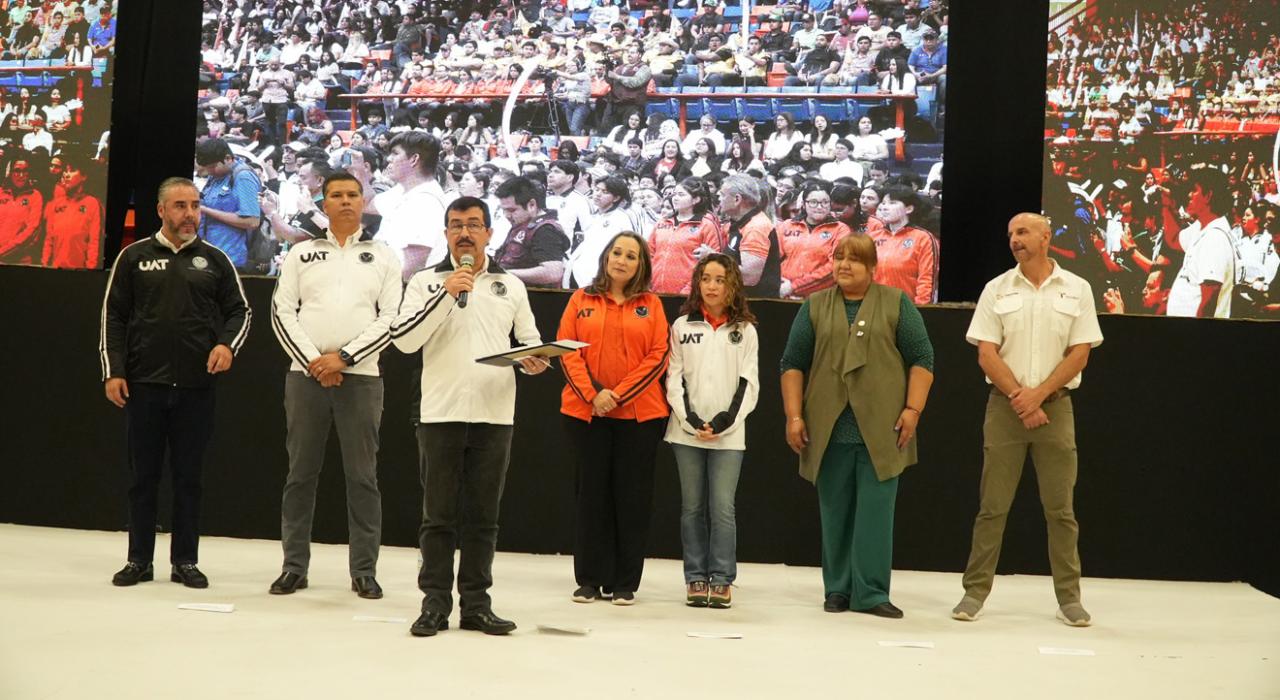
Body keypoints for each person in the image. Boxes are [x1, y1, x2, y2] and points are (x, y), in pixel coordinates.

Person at [392, 196, 549, 637]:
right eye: (457, 225)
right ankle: (434, 604)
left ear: (489, 233)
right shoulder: (425, 281)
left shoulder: (510, 285)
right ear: (446, 234)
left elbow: (529, 341)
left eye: (474, 225)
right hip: (439, 411)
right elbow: (405, 341)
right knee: (438, 517)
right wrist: (447, 294)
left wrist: (534, 361)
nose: (465, 233)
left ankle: (477, 605)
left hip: (494, 413)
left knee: (483, 518)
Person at [100, 177, 251, 589]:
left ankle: (185, 561)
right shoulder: (133, 256)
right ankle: (138, 560)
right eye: (181, 206)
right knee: (142, 479)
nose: (190, 214)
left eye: (196, 205)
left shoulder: (215, 259)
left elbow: (240, 311)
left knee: (189, 479)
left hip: (196, 388)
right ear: (161, 210)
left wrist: (227, 345)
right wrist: (113, 370)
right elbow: (113, 316)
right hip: (143, 385)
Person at [953, 213, 1103, 628]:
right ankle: (973, 593)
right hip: (1005, 409)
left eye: (1022, 232)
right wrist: (1023, 399)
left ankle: (1070, 599)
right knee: (992, 507)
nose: (1014, 240)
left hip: (1056, 408)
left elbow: (1080, 352)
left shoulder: (1077, 288)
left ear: (1046, 236)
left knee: (1061, 510)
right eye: (1010, 235)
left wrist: (1039, 395)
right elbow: (986, 353)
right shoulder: (996, 288)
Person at [779, 233, 934, 618]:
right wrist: (794, 416)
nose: (844, 265)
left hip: (883, 428)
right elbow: (792, 363)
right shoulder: (814, 305)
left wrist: (913, 410)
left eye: (854, 259)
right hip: (829, 429)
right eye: (839, 258)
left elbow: (922, 358)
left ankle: (872, 593)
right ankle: (838, 590)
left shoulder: (897, 303)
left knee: (876, 516)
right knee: (835, 513)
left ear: (872, 267)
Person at [268, 172, 402, 599]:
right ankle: (294, 567)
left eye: (352, 195)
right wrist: (315, 362)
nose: (345, 201)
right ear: (323, 204)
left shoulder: (384, 255)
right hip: (305, 377)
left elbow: (391, 318)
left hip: (361, 379)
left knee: (363, 477)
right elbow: (282, 312)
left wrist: (343, 358)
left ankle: (364, 571)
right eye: (336, 195)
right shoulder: (301, 253)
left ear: (363, 202)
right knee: (300, 474)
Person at [558, 231, 670, 605]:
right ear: (606, 257)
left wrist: (617, 395)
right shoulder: (581, 299)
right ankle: (589, 579)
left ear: (642, 265)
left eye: (631, 256)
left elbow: (658, 355)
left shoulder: (651, 304)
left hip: (639, 417)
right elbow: (567, 351)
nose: (622, 260)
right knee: (592, 496)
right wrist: (594, 395)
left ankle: (624, 582)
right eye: (617, 253)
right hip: (587, 413)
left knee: (632, 498)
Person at [665, 254, 759, 609]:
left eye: (720, 279)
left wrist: (723, 423)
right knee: (692, 508)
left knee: (722, 509)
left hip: (728, 436)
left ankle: (721, 579)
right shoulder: (681, 326)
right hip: (685, 433)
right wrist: (690, 420)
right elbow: (674, 379)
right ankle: (695, 577)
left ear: (733, 284)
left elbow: (749, 383)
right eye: (706, 278)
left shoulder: (745, 330)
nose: (712, 286)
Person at [371, 131, 448, 280]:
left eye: (395, 153)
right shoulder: (402, 189)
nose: (389, 159)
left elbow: (412, 268)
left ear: (414, 159)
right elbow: (366, 204)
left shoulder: (426, 201)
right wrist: (360, 171)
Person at [1164, 167, 1234, 318]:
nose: (1189, 195)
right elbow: (1174, 240)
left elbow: (1210, 297)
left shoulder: (1215, 237)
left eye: (1194, 190)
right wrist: (1166, 206)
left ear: (1208, 196)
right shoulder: (1201, 227)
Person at [195, 138, 262, 270]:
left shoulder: (243, 176)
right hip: (208, 254)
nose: (209, 171)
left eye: (213, 166)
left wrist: (205, 210)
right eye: (207, 168)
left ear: (228, 158)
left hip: (231, 258)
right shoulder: (216, 175)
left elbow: (252, 221)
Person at [649, 177, 725, 294]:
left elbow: (713, 263)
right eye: (674, 194)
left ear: (696, 199)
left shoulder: (707, 225)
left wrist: (689, 290)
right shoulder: (662, 222)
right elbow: (650, 254)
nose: (675, 198)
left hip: (688, 294)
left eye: (681, 195)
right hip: (655, 291)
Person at [778, 184, 854, 298]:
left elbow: (836, 265)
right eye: (813, 202)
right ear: (804, 204)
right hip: (783, 291)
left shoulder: (840, 229)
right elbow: (772, 258)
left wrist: (794, 286)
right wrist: (778, 282)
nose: (819, 207)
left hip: (820, 296)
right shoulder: (786, 225)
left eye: (825, 202)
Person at [493, 175, 570, 288]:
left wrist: (505, 274)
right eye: (504, 210)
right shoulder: (523, 223)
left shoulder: (546, 230)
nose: (507, 215)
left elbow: (553, 273)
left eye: (512, 210)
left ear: (532, 205)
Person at [869, 186, 938, 304]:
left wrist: (922, 310)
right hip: (874, 306)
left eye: (892, 203)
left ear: (909, 209)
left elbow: (927, 279)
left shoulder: (923, 238)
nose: (884, 207)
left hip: (907, 308)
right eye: (883, 203)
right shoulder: (872, 236)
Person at [566, 176, 638, 288]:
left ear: (616, 198)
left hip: (601, 278)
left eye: (605, 192)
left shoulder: (622, 218)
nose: (598, 194)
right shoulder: (593, 216)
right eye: (597, 189)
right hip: (578, 273)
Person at [719, 174, 782, 297]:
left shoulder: (756, 227)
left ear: (737, 199)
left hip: (754, 304)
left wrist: (714, 259)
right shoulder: (739, 222)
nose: (719, 199)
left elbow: (749, 278)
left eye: (722, 195)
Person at [41, 159, 102, 269]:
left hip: (79, 271)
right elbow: (49, 239)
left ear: (84, 176)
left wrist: (90, 270)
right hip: (55, 268)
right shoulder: (57, 203)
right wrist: (45, 265)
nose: (66, 175)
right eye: (65, 171)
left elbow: (94, 242)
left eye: (72, 170)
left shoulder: (92, 203)